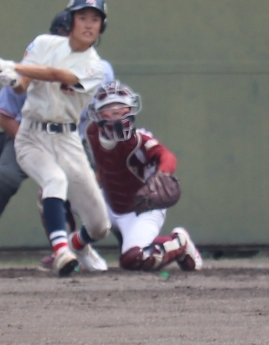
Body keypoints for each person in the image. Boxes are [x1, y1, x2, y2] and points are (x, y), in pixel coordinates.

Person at [0, 10, 112, 271]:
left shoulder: (98, 68)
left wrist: (14, 66)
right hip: (27, 132)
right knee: (5, 180)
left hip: (70, 138)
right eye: (63, 32)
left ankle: (87, 245)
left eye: (93, 21)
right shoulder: (41, 50)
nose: (66, 40)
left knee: (99, 217)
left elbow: (56, 75)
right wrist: (12, 79)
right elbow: (6, 116)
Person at [84, 81, 204, 272]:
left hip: (140, 210)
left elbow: (167, 156)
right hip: (110, 204)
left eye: (120, 107)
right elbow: (102, 169)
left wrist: (161, 175)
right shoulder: (92, 133)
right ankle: (69, 251)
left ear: (131, 110)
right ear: (97, 114)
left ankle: (179, 242)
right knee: (66, 195)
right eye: (109, 108)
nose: (116, 113)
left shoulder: (139, 140)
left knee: (134, 259)